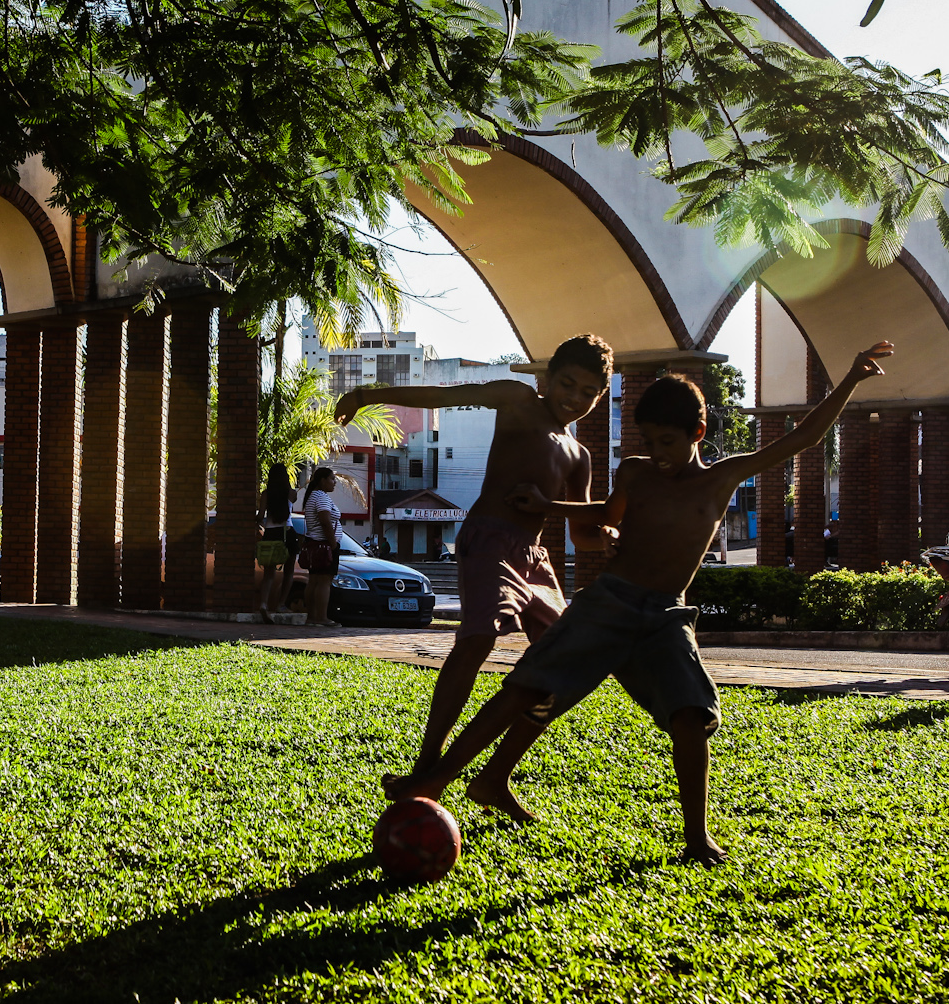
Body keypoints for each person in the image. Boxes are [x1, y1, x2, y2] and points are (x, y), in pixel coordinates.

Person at [386, 341, 894, 863]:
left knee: (692, 717)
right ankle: (438, 779)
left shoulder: (721, 478)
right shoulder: (635, 471)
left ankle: (696, 837)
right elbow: (604, 514)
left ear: (698, 434)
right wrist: (551, 507)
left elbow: (804, 437)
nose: (658, 453)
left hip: (665, 617)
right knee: (525, 688)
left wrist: (850, 380)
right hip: (607, 604)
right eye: (650, 442)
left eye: (668, 442)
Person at [335, 334, 614, 790]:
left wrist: (605, 533)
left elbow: (583, 536)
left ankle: (494, 777)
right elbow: (446, 396)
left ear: (600, 397)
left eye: (588, 393)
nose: (574, 399)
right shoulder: (517, 398)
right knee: (478, 639)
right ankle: (427, 765)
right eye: (567, 384)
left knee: (564, 666)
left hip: (536, 562)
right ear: (545, 378)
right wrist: (369, 395)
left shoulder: (578, 455)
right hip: (489, 539)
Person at [299, 467, 343, 626]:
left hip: (314, 544)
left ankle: (311, 617)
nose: (334, 482)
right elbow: (325, 521)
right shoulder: (321, 497)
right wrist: (333, 544)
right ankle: (322, 617)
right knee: (324, 582)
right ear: (322, 480)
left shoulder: (312, 496)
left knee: (314, 581)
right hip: (324, 546)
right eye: (332, 479)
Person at [258, 464, 297, 621]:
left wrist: (257, 523)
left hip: (270, 533)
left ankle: (263, 603)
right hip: (287, 532)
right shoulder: (291, 493)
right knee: (289, 572)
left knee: (269, 573)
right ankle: (281, 605)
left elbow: (260, 516)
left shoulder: (266, 494)